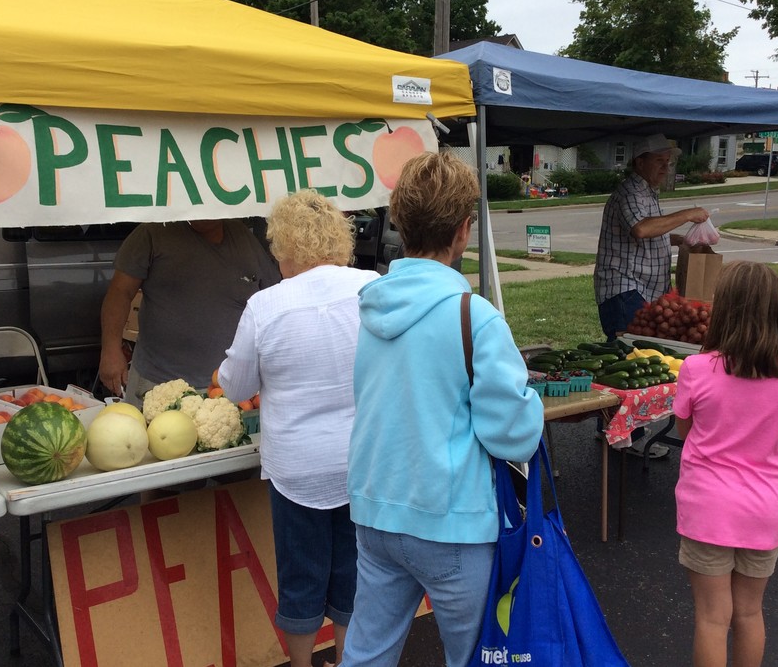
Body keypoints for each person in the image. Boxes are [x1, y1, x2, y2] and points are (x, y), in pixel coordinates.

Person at [341, 151, 545, 667]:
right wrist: (530, 402)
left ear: (400, 224)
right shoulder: (474, 317)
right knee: (476, 655)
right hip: (452, 520)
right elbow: (514, 437)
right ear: (463, 230)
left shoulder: (369, 307)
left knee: (367, 653)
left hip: (376, 509)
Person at [217, 190, 378, 667]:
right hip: (362, 460)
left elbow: (235, 385)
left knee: (301, 575)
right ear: (340, 237)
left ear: (283, 246)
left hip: (297, 470)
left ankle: (304, 664)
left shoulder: (265, 305)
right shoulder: (373, 288)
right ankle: (350, 660)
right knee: (354, 570)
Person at [673, 260, 778, 667]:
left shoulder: (697, 369)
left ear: (724, 308)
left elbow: (685, 432)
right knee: (749, 613)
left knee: (713, 618)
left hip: (708, 507)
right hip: (764, 509)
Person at [594, 133, 709, 459]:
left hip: (641, 290)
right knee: (631, 362)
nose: (665, 166)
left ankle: (619, 432)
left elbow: (652, 232)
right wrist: (687, 215)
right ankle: (622, 436)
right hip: (624, 289)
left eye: (667, 160)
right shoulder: (631, 191)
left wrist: (678, 240)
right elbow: (642, 229)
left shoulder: (646, 192)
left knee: (633, 363)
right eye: (659, 161)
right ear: (639, 161)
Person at [98, 219, 280, 403]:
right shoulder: (152, 233)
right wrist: (110, 350)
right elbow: (120, 292)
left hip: (224, 389)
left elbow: (274, 298)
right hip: (157, 384)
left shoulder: (243, 238)